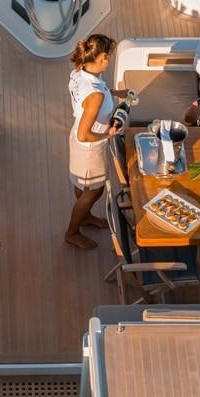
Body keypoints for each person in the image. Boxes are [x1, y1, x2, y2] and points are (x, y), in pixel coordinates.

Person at [65, 33, 121, 250]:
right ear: (103, 58)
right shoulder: (95, 95)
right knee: (93, 191)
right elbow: (84, 134)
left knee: (84, 185)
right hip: (90, 147)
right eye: (110, 57)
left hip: (79, 141)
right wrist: (109, 135)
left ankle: (86, 216)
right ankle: (72, 232)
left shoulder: (80, 72)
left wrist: (116, 92)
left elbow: (95, 92)